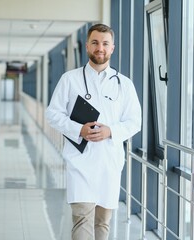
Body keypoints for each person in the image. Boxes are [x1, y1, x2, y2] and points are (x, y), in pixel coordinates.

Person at [45, 23, 141, 240]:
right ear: (87, 46)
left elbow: (135, 122)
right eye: (95, 43)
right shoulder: (70, 79)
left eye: (105, 44)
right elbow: (52, 114)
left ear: (112, 48)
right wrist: (79, 129)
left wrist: (111, 131)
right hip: (80, 162)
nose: (100, 48)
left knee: (102, 224)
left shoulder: (124, 85)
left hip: (109, 163)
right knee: (81, 219)